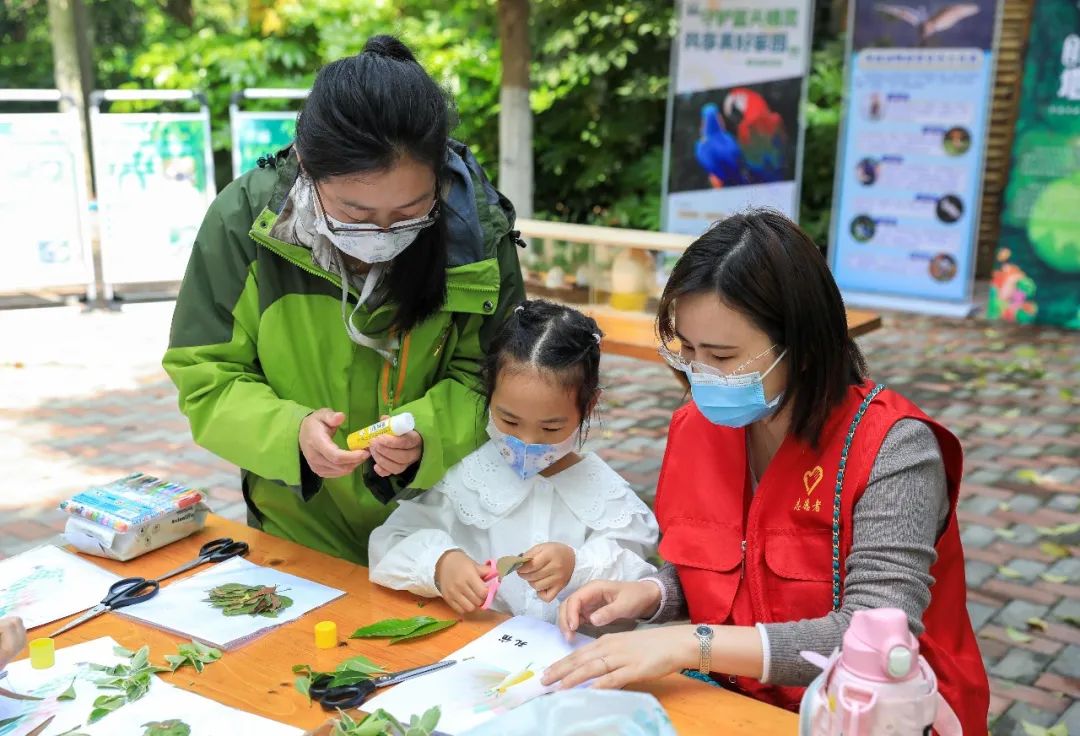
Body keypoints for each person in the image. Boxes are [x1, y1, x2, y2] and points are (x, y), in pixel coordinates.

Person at [541, 210, 989, 732]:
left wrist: (690, 642)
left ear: (801, 348)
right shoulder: (695, 428)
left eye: (724, 356)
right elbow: (729, 571)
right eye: (688, 351)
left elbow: (876, 640)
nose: (701, 374)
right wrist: (655, 594)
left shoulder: (894, 450)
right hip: (739, 704)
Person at [163, 36, 524, 565]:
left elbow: (499, 378)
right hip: (298, 527)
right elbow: (205, 373)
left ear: (439, 176)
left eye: (411, 209)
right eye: (356, 214)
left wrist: (429, 434)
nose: (383, 232)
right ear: (307, 166)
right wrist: (291, 434)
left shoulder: (478, 233)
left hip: (445, 534)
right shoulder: (246, 221)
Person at [369, 300, 658, 621]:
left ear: (588, 407)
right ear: (488, 393)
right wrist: (440, 564)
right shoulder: (468, 475)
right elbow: (389, 542)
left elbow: (641, 579)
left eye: (551, 427)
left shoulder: (609, 500)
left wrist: (578, 566)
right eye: (509, 421)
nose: (527, 441)